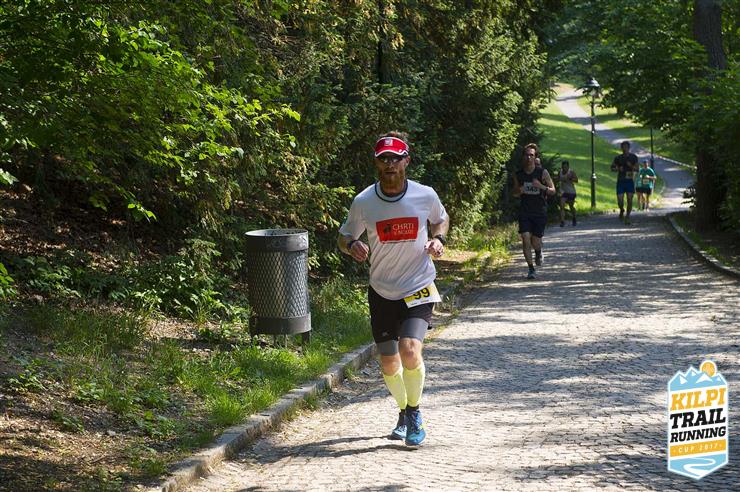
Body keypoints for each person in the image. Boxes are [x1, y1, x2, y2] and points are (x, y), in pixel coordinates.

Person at [338, 131, 449, 447]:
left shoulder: (424, 195)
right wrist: (352, 245)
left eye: (395, 159)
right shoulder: (364, 202)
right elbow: (344, 236)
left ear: (406, 161)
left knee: (410, 349)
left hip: (418, 285)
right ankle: (403, 410)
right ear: (376, 163)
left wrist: (438, 239)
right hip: (382, 290)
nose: (389, 164)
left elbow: (441, 219)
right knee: (388, 361)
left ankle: (414, 413)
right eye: (383, 159)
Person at [512, 143, 555, 279]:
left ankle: (538, 251)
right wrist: (519, 191)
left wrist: (541, 186)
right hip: (525, 211)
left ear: (535, 157)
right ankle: (531, 269)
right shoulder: (518, 174)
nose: (529, 157)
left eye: (531, 155)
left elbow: (553, 190)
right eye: (527, 155)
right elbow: (515, 193)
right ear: (523, 157)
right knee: (525, 239)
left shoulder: (542, 173)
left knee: (536, 242)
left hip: (539, 212)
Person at [610, 141, 639, 224]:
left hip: (629, 181)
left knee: (629, 199)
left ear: (629, 148)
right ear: (621, 148)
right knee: (620, 200)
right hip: (621, 181)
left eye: (626, 147)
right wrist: (618, 169)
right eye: (623, 147)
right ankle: (622, 209)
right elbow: (612, 168)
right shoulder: (618, 158)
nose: (625, 149)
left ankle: (628, 216)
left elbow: (637, 169)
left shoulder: (633, 157)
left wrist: (631, 166)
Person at [555, 160, 578, 227]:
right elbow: (558, 179)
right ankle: (562, 221)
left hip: (571, 192)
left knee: (571, 206)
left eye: (565, 167)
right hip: (563, 192)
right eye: (563, 167)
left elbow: (576, 180)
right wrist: (556, 179)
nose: (564, 168)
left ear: (568, 167)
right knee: (562, 206)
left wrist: (570, 179)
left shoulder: (571, 172)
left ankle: (574, 217)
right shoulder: (560, 172)